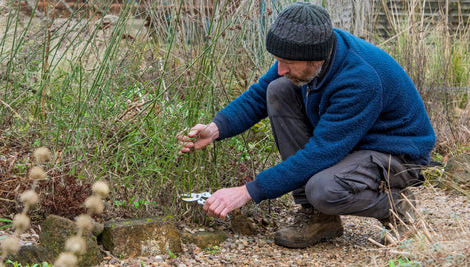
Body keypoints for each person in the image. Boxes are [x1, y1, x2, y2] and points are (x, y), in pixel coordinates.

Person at [176, 2, 435, 248]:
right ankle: (319, 218)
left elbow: (321, 153)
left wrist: (247, 192)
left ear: (316, 59)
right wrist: (215, 129)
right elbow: (258, 96)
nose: (280, 68)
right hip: (352, 142)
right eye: (278, 60)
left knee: (324, 189)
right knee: (278, 90)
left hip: (395, 154)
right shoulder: (308, 50)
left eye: (288, 63)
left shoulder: (359, 79)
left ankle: (397, 207)